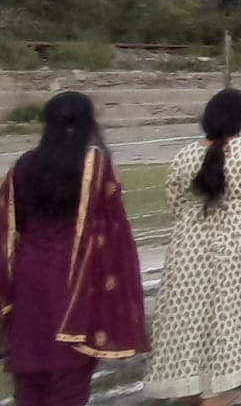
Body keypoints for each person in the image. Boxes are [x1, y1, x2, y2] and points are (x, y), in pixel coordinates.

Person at [146, 89, 241, 402]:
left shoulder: (186, 154)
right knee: (230, 314)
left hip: (189, 245)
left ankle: (194, 384)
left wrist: (195, 223)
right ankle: (218, 391)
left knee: (191, 316)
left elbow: (175, 200)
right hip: (239, 244)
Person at [1, 92, 147, 406]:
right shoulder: (97, 165)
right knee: (69, 372)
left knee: (31, 366)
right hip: (77, 275)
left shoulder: (23, 166)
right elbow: (112, 226)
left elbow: (11, 225)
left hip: (29, 273)